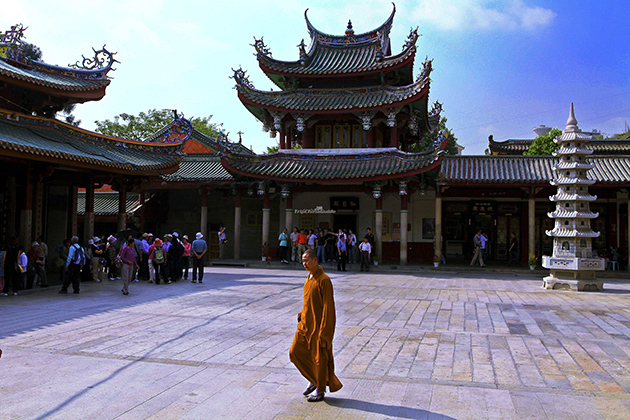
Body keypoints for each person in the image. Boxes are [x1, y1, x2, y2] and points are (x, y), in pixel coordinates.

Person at [289, 249, 343, 402]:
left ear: (315, 260)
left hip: (318, 327)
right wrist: (302, 313)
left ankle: (320, 390)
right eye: (303, 261)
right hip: (305, 324)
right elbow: (309, 301)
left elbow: (328, 307)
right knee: (295, 352)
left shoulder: (324, 280)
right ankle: (313, 379)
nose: (304, 264)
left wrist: (325, 331)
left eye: (307, 260)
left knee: (319, 358)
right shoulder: (309, 277)